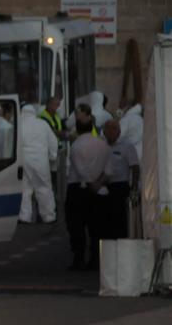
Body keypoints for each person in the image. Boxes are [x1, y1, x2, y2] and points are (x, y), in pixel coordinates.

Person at [65, 118, 111, 270]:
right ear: (92, 127)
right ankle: (95, 259)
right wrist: (98, 185)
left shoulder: (76, 146)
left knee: (76, 225)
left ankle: (79, 258)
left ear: (77, 129)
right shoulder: (102, 144)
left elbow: (81, 171)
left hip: (78, 189)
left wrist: (92, 185)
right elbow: (109, 169)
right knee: (96, 225)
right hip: (98, 188)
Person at [18, 104, 58, 224]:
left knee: (25, 188)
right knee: (43, 187)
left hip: (23, 159)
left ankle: (24, 216)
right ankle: (49, 216)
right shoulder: (43, 124)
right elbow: (53, 141)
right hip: (41, 160)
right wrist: (52, 156)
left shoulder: (18, 124)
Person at [103, 119, 140, 239]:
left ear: (119, 131)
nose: (110, 131)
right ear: (103, 131)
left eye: (113, 128)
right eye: (107, 128)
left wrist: (134, 189)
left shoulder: (127, 146)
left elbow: (135, 168)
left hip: (120, 188)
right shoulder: (100, 145)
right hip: (103, 187)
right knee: (105, 221)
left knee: (120, 221)